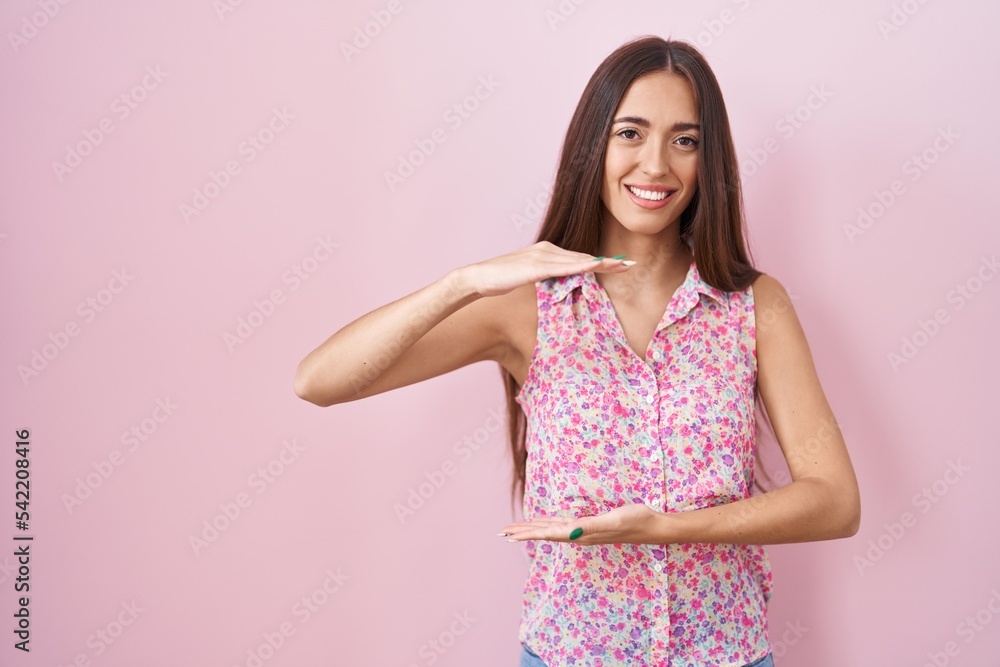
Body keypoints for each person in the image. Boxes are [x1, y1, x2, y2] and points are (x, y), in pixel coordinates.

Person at [295, 35, 861, 667]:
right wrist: (464, 282)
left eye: (685, 140)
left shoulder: (754, 305)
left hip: (725, 655)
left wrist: (666, 529)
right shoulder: (525, 307)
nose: (655, 165)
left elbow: (834, 500)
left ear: (710, 161)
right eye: (630, 133)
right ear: (595, 143)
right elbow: (321, 381)